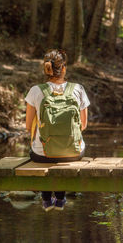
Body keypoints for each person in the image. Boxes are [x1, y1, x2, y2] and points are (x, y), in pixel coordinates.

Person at [25, 49, 90, 211]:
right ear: (64, 68)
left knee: (40, 153)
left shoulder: (35, 91)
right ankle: (60, 198)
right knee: (63, 154)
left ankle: (47, 198)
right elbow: (83, 125)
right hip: (73, 154)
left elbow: (28, 126)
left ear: (45, 69)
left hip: (42, 155)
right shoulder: (78, 89)